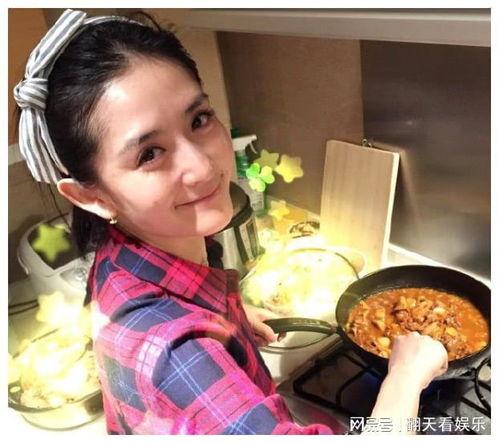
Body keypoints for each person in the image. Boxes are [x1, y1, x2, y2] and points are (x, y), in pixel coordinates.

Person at [13, 9, 448, 435]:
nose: (202, 167)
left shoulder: (124, 256)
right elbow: (172, 354)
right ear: (91, 196)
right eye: (149, 154)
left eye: (199, 120)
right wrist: (405, 376)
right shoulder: (177, 355)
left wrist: (230, 319)